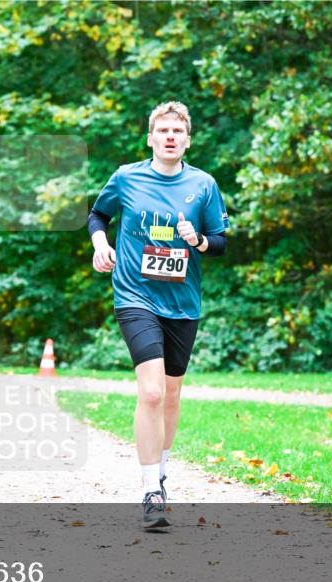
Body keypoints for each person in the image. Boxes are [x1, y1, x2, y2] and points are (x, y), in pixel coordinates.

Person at [87, 101, 229, 531]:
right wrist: (100, 244)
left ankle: (161, 471)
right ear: (150, 137)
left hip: (182, 304)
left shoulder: (203, 185)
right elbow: (98, 215)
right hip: (135, 296)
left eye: (177, 132)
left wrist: (199, 240)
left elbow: (220, 241)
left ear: (187, 140)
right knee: (150, 392)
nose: (170, 137)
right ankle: (150, 490)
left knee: (170, 395)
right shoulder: (127, 177)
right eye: (162, 130)